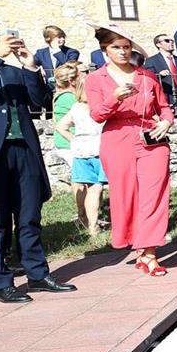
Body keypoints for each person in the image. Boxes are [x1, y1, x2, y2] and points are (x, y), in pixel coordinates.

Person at [0, 17, 76, 302]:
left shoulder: (11, 71)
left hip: (23, 150)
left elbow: (39, 100)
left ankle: (37, 275)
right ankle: (0, 284)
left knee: (29, 216)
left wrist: (29, 66)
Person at [86, 23, 174, 277]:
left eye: (126, 46)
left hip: (151, 139)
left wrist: (166, 121)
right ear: (105, 49)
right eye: (116, 47)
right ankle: (137, 248)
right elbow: (96, 115)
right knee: (127, 195)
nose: (123, 52)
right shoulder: (95, 79)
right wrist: (114, 97)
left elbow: (164, 107)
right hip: (117, 140)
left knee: (155, 194)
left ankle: (149, 253)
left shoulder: (147, 76)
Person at [55, 71, 107, 236]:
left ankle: (90, 223)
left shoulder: (76, 107)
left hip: (81, 152)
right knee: (97, 188)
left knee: (91, 188)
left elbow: (60, 126)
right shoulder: (99, 108)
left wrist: (74, 140)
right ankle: (94, 225)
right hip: (99, 151)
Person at [50, 62, 79, 169]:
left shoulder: (64, 96)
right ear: (72, 81)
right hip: (69, 144)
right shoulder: (68, 98)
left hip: (69, 144)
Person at [145, 34, 177, 102]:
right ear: (158, 44)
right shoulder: (151, 61)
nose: (171, 42)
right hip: (165, 98)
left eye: (172, 41)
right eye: (167, 41)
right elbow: (148, 78)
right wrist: (159, 74)